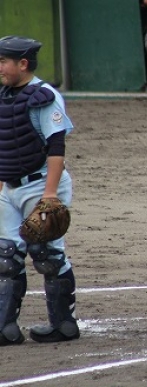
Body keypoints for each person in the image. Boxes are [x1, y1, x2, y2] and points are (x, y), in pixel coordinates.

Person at [0, 36, 79, 345]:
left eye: (3, 62)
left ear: (23, 64)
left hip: (41, 183)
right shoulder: (4, 97)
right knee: (6, 257)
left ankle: (63, 324)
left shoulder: (44, 97)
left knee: (47, 255)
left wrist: (50, 194)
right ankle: (6, 328)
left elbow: (56, 148)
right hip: (10, 188)